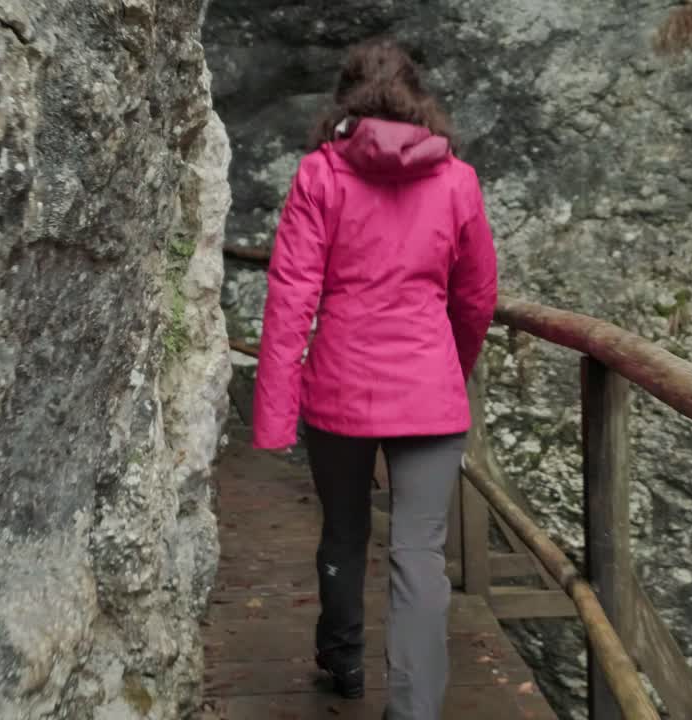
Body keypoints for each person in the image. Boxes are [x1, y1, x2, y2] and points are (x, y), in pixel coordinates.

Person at [249, 37, 498, 720]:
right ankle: (414, 709)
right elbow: (476, 297)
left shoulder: (319, 175)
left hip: (341, 392)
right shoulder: (458, 181)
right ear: (418, 99)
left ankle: (344, 657)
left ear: (344, 101)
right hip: (430, 393)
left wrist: (272, 415)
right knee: (420, 552)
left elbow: (291, 296)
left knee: (344, 531)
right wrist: (455, 367)